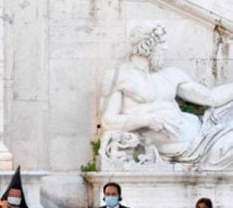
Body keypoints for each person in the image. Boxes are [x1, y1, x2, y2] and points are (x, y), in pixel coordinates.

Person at [99, 23, 233, 170]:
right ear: (147, 46)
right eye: (162, 43)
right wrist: (145, 120)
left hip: (204, 133)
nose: (166, 47)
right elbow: (108, 121)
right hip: (180, 148)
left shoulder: (172, 74)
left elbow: (211, 98)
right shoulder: (119, 77)